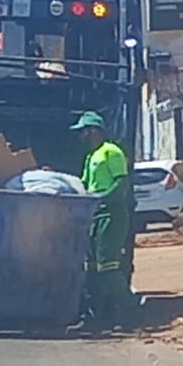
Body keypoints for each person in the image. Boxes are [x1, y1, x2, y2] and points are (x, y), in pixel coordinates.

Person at [71, 111, 134, 329]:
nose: (81, 137)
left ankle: (130, 311)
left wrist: (101, 199)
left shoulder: (111, 152)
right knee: (93, 269)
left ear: (94, 131)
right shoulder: (90, 157)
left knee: (108, 267)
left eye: (83, 132)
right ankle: (95, 316)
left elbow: (121, 185)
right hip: (95, 216)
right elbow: (85, 185)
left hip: (111, 215)